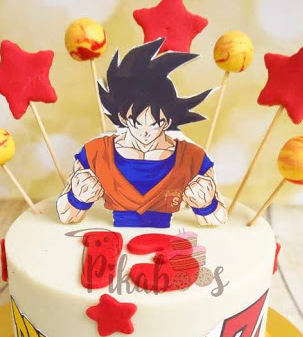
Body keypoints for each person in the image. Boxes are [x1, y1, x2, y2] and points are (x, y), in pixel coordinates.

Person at [57, 38, 227, 228]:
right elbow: (67, 216)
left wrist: (206, 205)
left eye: (156, 124)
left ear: (167, 122)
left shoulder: (192, 158)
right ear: (123, 118)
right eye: (136, 122)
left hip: (170, 243)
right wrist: (77, 199)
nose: (145, 132)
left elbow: (218, 219)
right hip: (113, 240)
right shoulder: (95, 153)